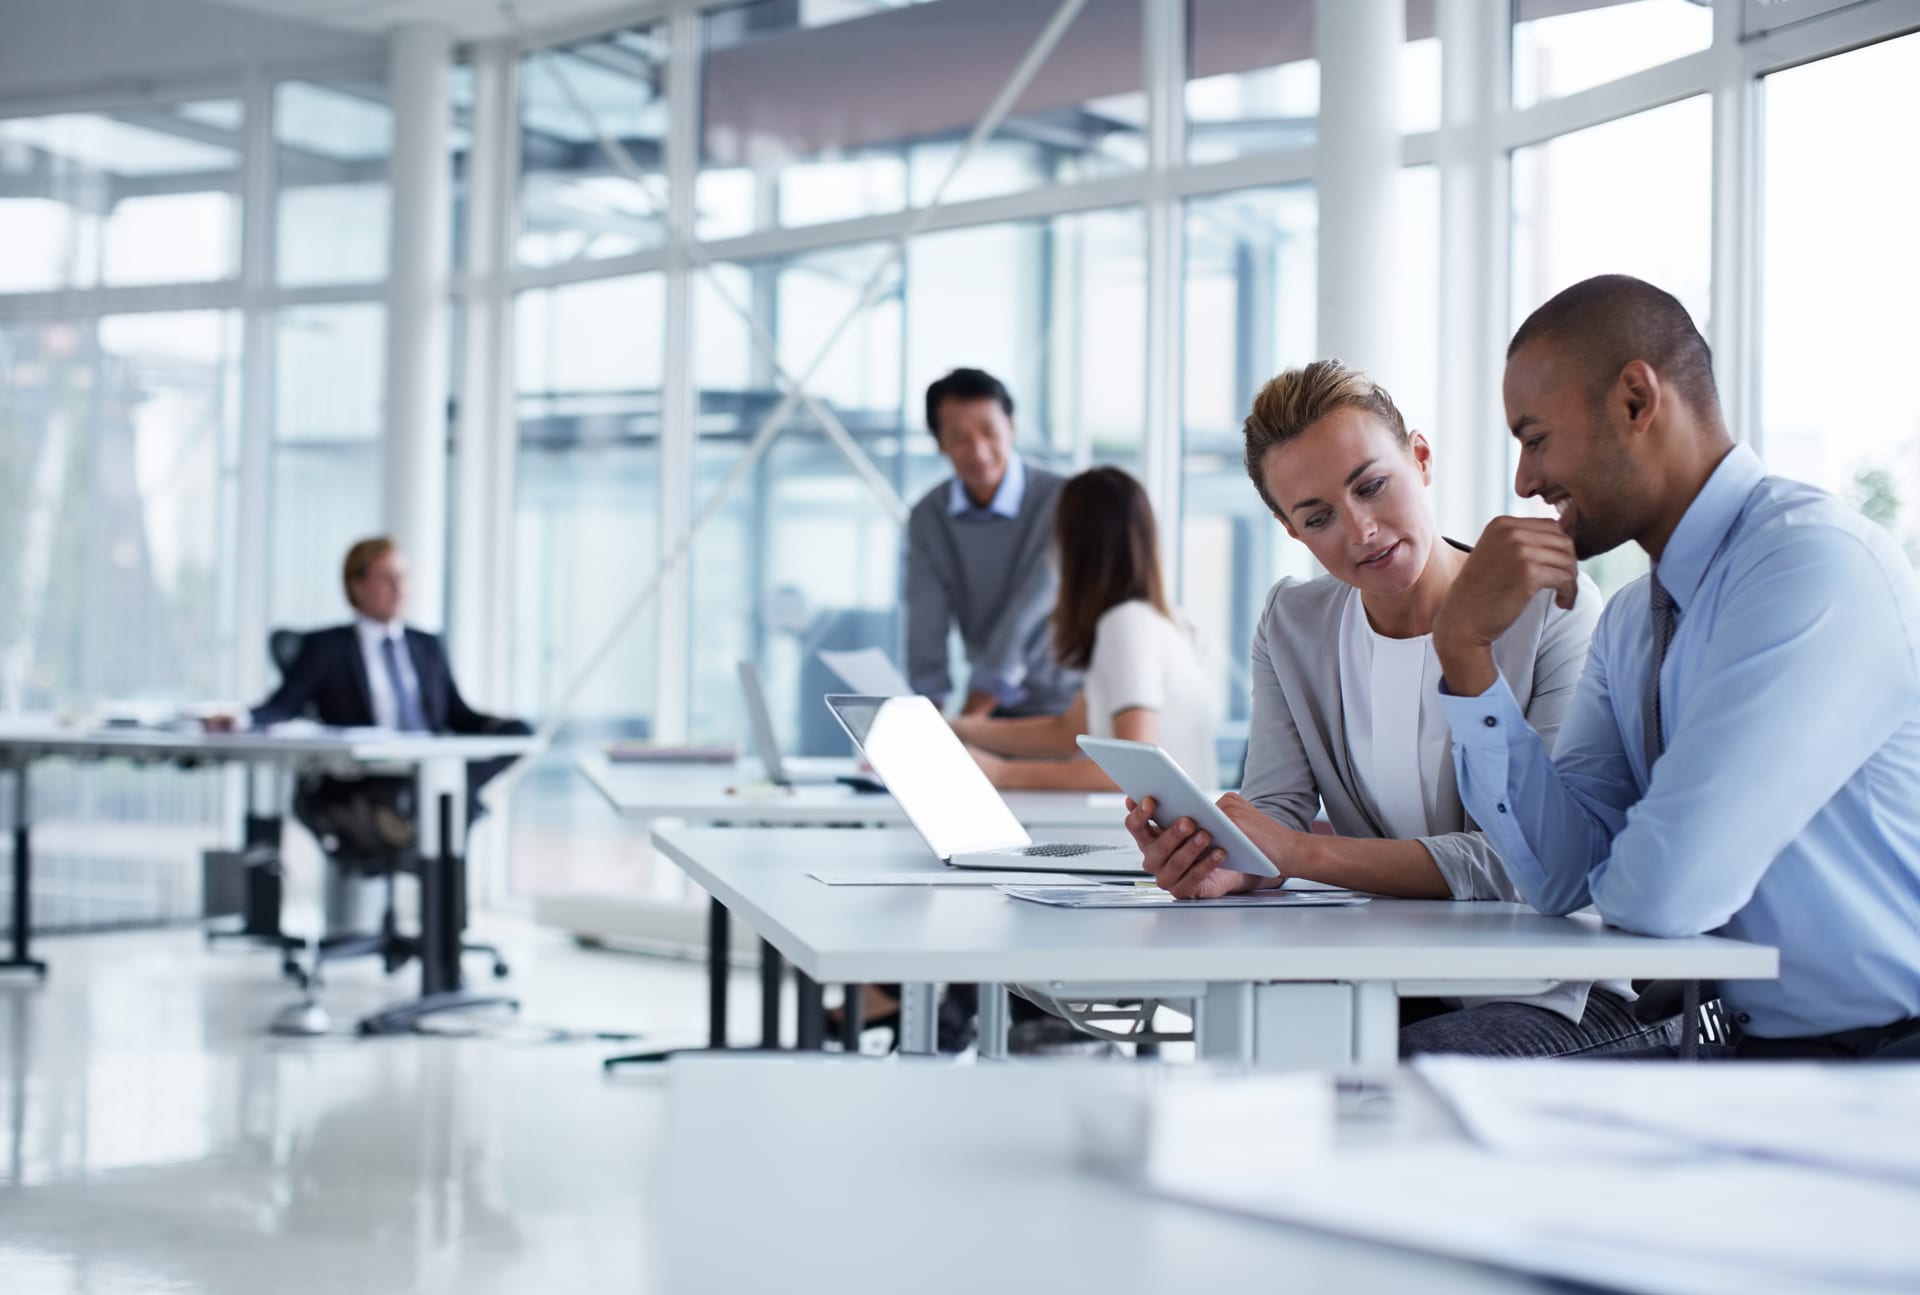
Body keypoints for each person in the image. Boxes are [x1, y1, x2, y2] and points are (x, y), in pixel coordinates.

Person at [1429, 273, 1920, 1061]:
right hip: (1763, 1059)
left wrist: (1623, 864)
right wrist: (1463, 652)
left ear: (1634, 400)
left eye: (1535, 436)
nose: (1523, 481)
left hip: (1889, 1068)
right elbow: (1560, 876)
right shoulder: (1631, 620)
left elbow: (1662, 895)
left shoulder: (1809, 568)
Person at [1127, 359, 1675, 1057]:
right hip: (1398, 978)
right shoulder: (1294, 623)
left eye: (1372, 485)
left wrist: (1299, 852)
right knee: (1254, 1049)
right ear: (1292, 531)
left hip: (1557, 989)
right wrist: (1221, 856)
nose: (1360, 531)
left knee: (1382, 1072)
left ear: (1420, 458)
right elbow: (1274, 816)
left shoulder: (1551, 610)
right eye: (1318, 516)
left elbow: (1528, 863)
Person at [211, 536, 529, 853]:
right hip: (369, 777)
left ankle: (448, 792)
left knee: (517, 736)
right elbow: (284, 704)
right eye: (386, 578)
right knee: (445, 801)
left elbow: (456, 714)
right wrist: (243, 719)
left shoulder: (427, 646)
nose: (399, 588)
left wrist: (500, 725)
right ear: (358, 586)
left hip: (427, 764)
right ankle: (443, 799)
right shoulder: (328, 647)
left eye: (402, 577)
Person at [952, 466, 1217, 791]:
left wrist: (999, 773)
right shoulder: (1160, 621)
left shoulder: (1126, 625)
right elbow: (1068, 730)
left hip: (1150, 836)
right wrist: (958, 729)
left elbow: (1131, 771)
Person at [904, 368, 1079, 719]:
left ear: (1011, 428)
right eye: (959, 437)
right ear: (940, 443)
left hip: (1067, 703)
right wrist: (927, 715)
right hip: (993, 707)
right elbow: (926, 617)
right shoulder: (928, 516)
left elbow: (1033, 605)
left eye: (989, 432)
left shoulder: (1063, 499)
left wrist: (969, 717)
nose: (979, 452)